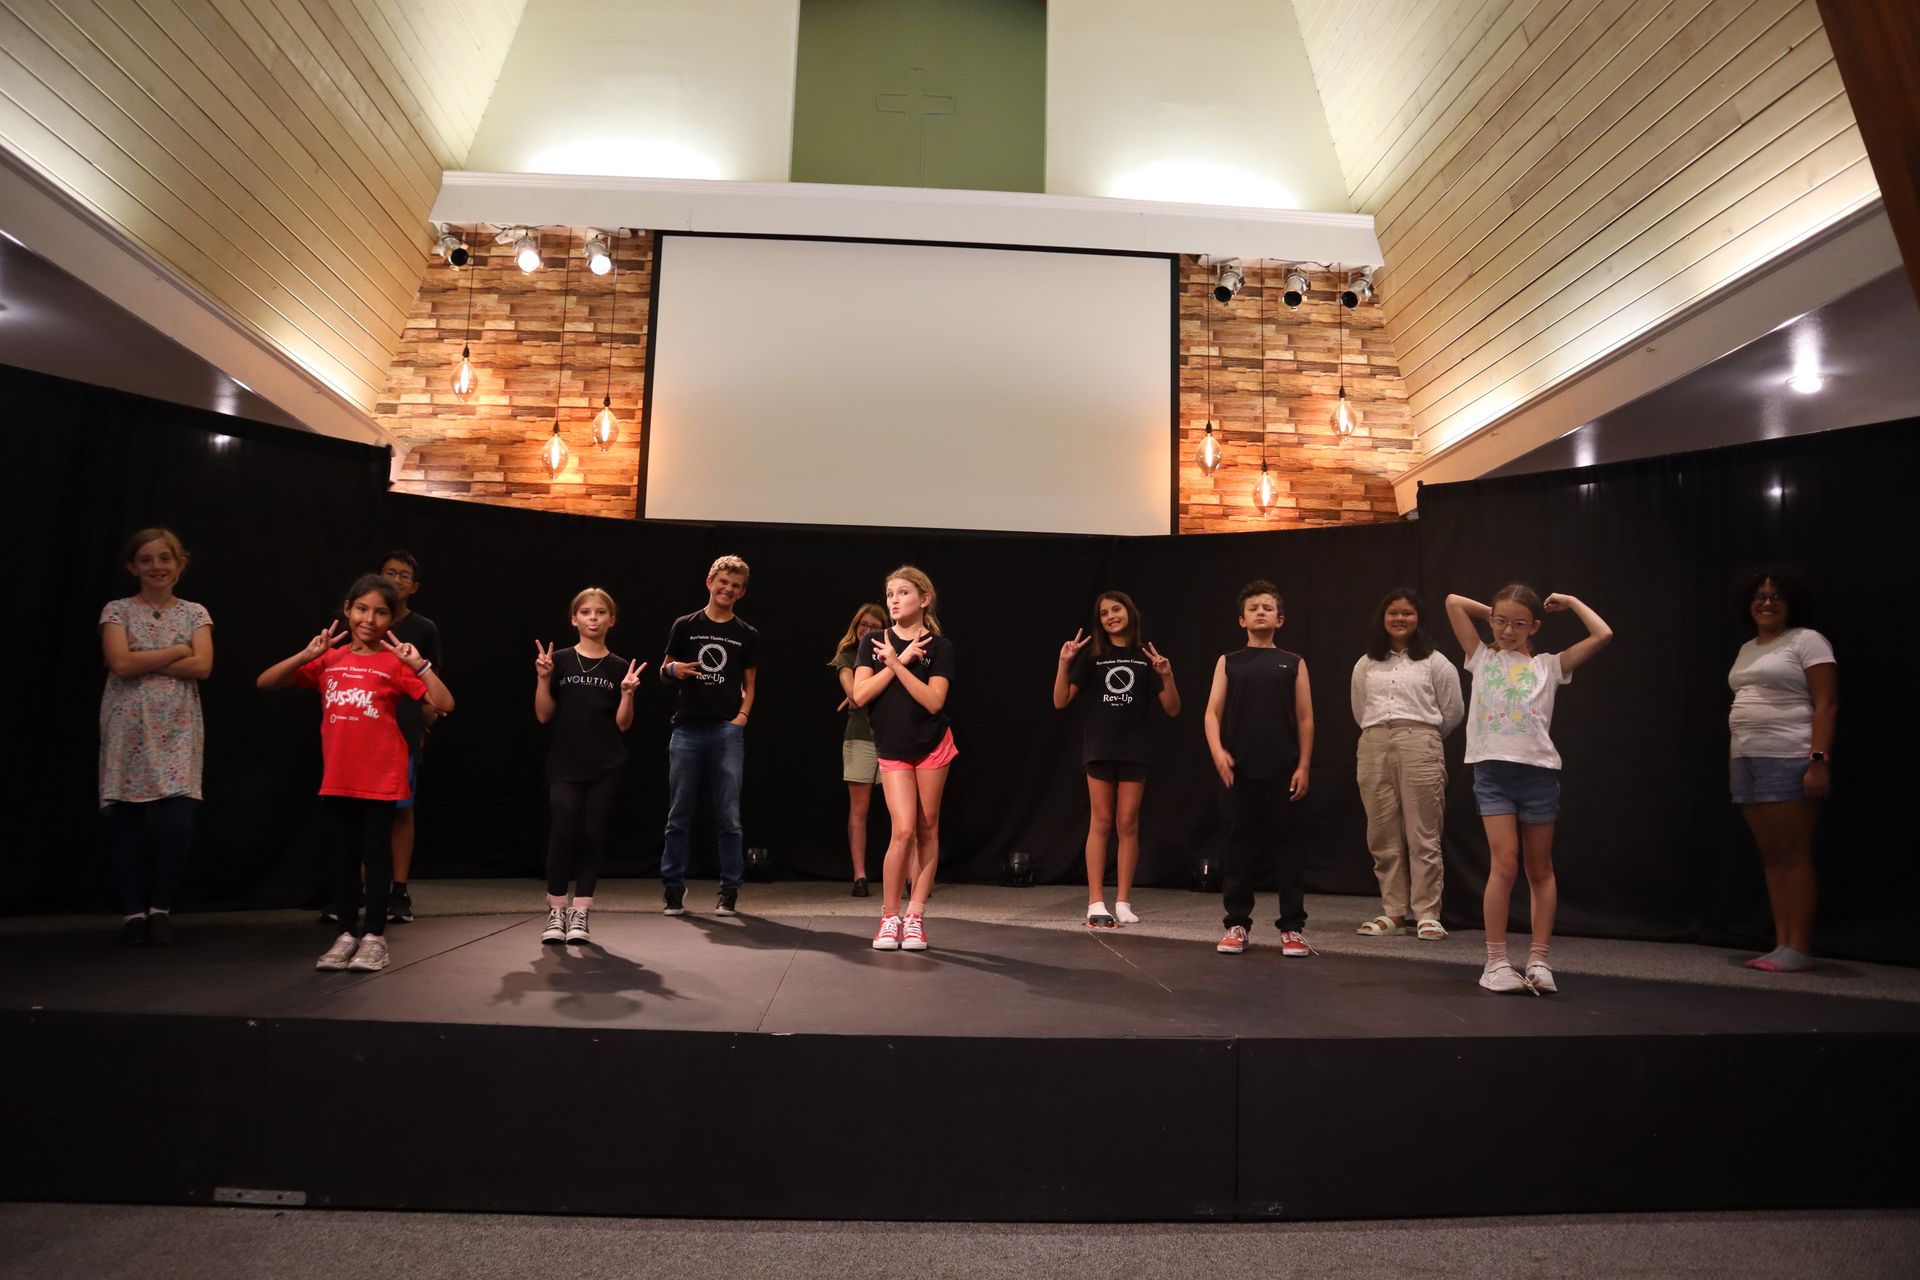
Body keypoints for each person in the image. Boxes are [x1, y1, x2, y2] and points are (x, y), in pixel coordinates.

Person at [258, 574, 454, 973]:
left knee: (375, 856)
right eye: (362, 609)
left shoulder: (393, 663)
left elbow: (445, 702)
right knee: (345, 856)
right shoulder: (330, 659)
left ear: (392, 620)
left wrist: (420, 665)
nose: (370, 618)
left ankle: (375, 937)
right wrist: (305, 654)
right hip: (339, 776)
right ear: (347, 610)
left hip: (381, 776)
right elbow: (266, 682)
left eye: (381, 612)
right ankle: (346, 933)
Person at [1446, 585, 1612, 995]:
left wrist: (1572, 602)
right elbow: (1452, 602)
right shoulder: (1481, 657)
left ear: (1536, 626)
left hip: (1538, 774)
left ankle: (1539, 959)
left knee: (1539, 869)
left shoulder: (1548, 666)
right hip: (1492, 773)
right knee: (1503, 864)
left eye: (1520, 624)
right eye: (1501, 622)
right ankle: (1496, 962)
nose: (1508, 630)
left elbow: (1603, 635)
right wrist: (1498, 613)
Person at [99, 528, 213, 945]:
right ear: (133, 567)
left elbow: (203, 667)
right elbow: (120, 664)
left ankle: (161, 908)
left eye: (165, 558)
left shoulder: (195, 613)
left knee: (177, 822)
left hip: (178, 726)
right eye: (146, 560)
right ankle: (133, 912)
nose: (156, 567)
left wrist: (143, 658)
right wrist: (176, 651)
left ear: (180, 563)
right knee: (125, 818)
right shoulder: (117, 611)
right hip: (128, 723)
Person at [1727, 568, 1835, 973]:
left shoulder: (1807, 641)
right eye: (1759, 596)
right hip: (1747, 759)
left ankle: (1799, 947)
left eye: (1776, 597)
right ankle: (1782, 943)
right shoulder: (1747, 648)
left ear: (1791, 604)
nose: (1766, 603)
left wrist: (1818, 761)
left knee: (1793, 853)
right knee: (1771, 855)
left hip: (1788, 756)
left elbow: (1826, 704)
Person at [1052, 591, 1180, 928]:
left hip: (1136, 749)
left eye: (1116, 609)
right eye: (1104, 613)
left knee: (1128, 824)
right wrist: (1064, 663)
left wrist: (1166, 675)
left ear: (1129, 612)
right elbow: (1060, 700)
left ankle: (1123, 900)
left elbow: (1172, 708)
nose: (1111, 616)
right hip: (1099, 748)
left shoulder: (1144, 656)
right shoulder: (1093, 656)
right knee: (1101, 821)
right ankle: (1096, 901)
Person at [1204, 580, 1314, 956]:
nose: (1261, 612)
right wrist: (1218, 751)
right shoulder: (1229, 662)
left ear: (1279, 619)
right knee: (1237, 846)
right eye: (1254, 608)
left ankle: (1292, 927)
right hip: (1238, 770)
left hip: (1283, 769)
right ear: (1242, 619)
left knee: (1289, 846)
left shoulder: (1294, 662)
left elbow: (1305, 717)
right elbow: (1212, 712)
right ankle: (1236, 924)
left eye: (1268, 607)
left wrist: (1303, 765)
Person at [1349, 588, 1463, 941]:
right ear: (1383, 619)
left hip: (1420, 742)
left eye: (1408, 613)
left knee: (1423, 833)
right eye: (1393, 613)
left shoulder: (1435, 661)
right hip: (1374, 743)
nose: (1400, 619)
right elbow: (1359, 709)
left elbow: (1453, 711)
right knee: (1381, 833)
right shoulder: (1367, 663)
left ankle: (1427, 912)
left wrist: (1421, 738)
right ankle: (1394, 911)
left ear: (1419, 620)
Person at [851, 566, 956, 952]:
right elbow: (860, 696)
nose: (893, 600)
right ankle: (889, 915)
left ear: (924, 599)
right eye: (890, 593)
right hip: (893, 748)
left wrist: (898, 664)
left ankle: (915, 917)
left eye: (903, 593)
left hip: (932, 745)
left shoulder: (939, 647)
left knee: (927, 830)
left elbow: (933, 701)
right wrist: (894, 660)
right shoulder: (874, 642)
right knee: (904, 830)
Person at [534, 588, 644, 945]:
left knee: (592, 834)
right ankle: (556, 910)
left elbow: (624, 725)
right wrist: (543, 678)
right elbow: (543, 714)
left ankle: (580, 912)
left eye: (600, 612)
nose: (593, 618)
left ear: (611, 620)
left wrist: (627, 694)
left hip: (606, 764)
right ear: (574, 619)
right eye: (585, 612)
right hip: (565, 763)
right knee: (562, 830)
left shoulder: (617, 667)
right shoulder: (559, 661)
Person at [658, 555, 758, 916]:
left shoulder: (746, 634)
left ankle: (729, 889)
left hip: (725, 730)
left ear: (741, 592)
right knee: (679, 813)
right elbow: (663, 670)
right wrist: (674, 668)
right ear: (710, 582)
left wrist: (742, 717)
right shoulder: (685, 625)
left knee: (728, 815)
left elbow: (750, 683)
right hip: (687, 728)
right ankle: (673, 887)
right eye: (723, 582)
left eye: (735, 586)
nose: (727, 589)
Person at [378, 550, 442, 925]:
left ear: (414, 587)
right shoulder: (361, 622)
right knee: (360, 816)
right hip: (361, 727)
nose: (396, 580)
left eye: (404, 575)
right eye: (389, 572)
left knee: (401, 811)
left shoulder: (423, 628)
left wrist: (425, 720)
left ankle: (398, 890)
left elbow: (433, 684)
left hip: (403, 729)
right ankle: (359, 890)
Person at [830, 603, 888, 897]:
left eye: (875, 626)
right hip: (861, 737)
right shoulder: (848, 655)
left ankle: (908, 876)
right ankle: (860, 876)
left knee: (903, 812)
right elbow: (856, 695)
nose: (868, 630)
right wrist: (857, 696)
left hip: (894, 737)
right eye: (863, 625)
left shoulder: (895, 655)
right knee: (860, 809)